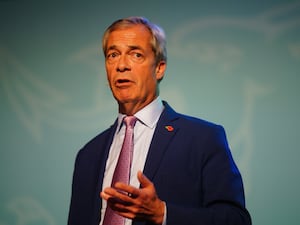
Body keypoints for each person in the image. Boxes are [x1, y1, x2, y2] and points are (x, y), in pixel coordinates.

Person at [67, 16, 252, 225]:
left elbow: (236, 220)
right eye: (113, 54)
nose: (121, 65)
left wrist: (162, 214)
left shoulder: (203, 139)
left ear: (159, 68)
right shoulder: (88, 154)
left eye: (135, 54)